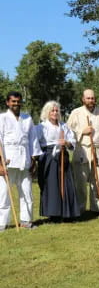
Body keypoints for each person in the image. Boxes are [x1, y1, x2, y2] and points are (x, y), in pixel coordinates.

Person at [0, 91, 42, 231]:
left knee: (27, 192)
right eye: (13, 101)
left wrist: (34, 160)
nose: (16, 104)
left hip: (25, 159)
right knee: (4, 193)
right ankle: (2, 223)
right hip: (8, 160)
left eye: (18, 101)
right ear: (7, 102)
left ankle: (26, 220)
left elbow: (33, 140)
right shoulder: (2, 118)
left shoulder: (27, 118)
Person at [67, 89, 99, 215]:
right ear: (83, 99)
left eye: (92, 98)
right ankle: (80, 208)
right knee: (80, 181)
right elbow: (68, 131)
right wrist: (82, 132)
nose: (91, 100)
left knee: (96, 181)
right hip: (82, 149)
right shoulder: (76, 113)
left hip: (97, 149)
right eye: (88, 98)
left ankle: (96, 207)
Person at [36, 101, 79, 221]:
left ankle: (66, 212)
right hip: (49, 157)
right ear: (47, 112)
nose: (55, 113)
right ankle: (53, 213)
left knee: (66, 183)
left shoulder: (63, 126)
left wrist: (66, 142)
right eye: (52, 111)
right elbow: (36, 143)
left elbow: (72, 142)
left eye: (56, 110)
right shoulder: (41, 127)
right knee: (52, 185)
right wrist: (42, 155)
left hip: (63, 157)